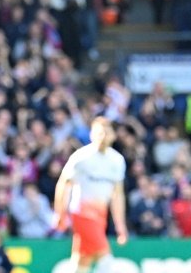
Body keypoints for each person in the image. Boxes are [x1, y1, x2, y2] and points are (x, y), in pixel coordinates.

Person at [53, 117, 128, 273]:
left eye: (107, 133)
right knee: (106, 260)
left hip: (100, 215)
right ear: (92, 134)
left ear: (113, 135)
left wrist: (120, 224)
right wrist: (60, 213)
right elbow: (63, 184)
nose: (103, 137)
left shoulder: (117, 160)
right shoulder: (81, 157)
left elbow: (117, 195)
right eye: (99, 133)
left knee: (82, 261)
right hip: (81, 214)